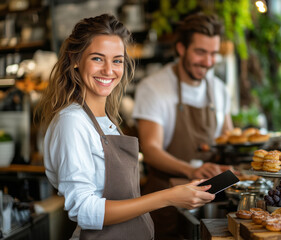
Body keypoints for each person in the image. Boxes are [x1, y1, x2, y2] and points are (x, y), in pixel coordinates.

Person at [36, 14, 215, 240]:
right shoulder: (72, 122)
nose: (109, 70)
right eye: (98, 59)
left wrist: (183, 191)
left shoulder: (108, 120)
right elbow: (83, 210)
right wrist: (168, 197)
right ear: (75, 59)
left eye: (117, 60)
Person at [132, 12, 234, 239]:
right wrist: (191, 170)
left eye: (213, 54)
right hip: (166, 202)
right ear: (180, 48)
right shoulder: (153, 88)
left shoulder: (219, 89)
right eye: (200, 52)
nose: (208, 62)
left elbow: (228, 140)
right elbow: (150, 150)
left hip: (211, 200)